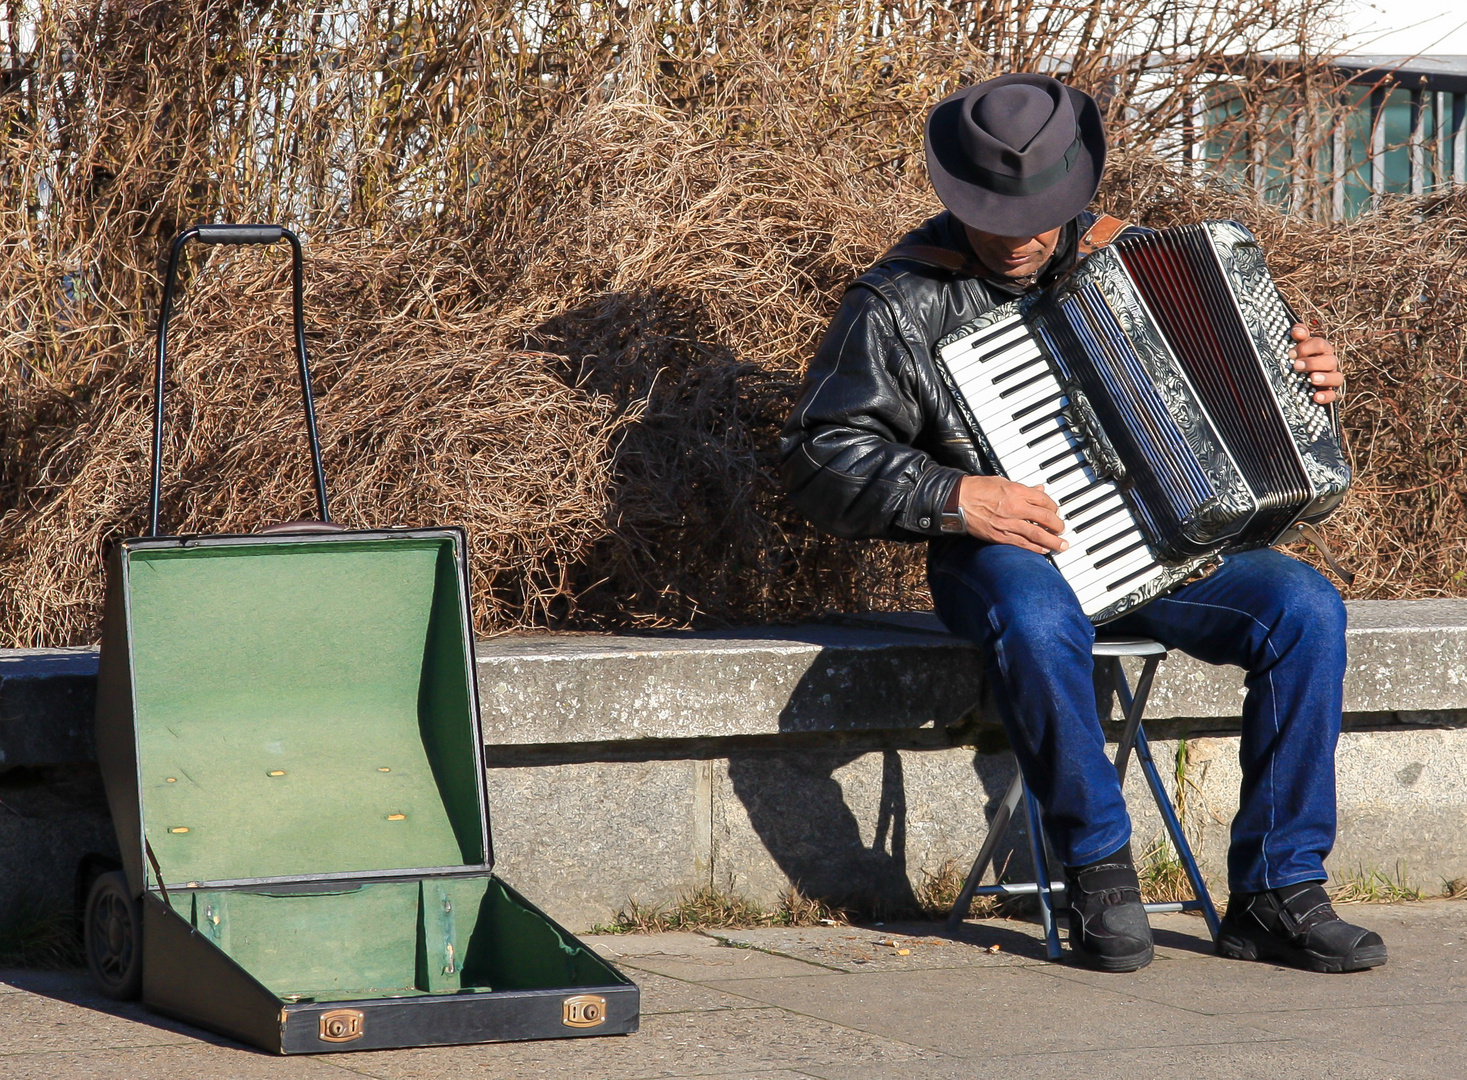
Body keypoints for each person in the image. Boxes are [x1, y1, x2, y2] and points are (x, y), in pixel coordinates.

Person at [780, 72, 1384, 974]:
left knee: (1305, 610)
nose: (1021, 236)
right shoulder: (898, 302)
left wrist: (1308, 385)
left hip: (1172, 548)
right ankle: (1097, 871)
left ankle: (1276, 889)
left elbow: (1251, 405)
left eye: (1041, 212)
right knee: (1034, 614)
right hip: (1006, 556)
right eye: (995, 214)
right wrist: (951, 496)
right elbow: (818, 454)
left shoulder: (1144, 262)